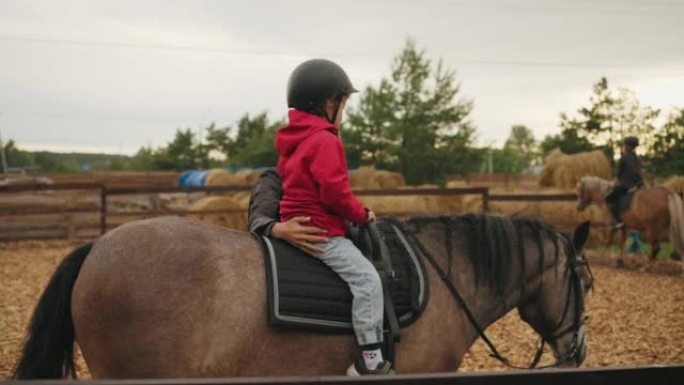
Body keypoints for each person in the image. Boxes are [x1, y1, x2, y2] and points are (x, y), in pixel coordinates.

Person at [252, 58, 390, 375]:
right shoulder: (326, 140)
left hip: (295, 222)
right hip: (321, 233)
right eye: (343, 105)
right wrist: (362, 214)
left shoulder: (293, 143)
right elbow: (335, 194)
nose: (343, 113)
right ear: (329, 103)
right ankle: (369, 360)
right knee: (368, 280)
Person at [605, 136, 644, 228]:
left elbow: (619, 174)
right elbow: (638, 172)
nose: (622, 147)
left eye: (623, 145)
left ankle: (618, 221)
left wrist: (613, 183)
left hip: (625, 186)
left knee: (609, 199)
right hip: (637, 185)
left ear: (627, 147)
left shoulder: (624, 157)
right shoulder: (637, 159)